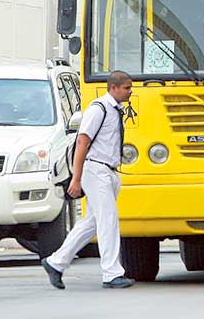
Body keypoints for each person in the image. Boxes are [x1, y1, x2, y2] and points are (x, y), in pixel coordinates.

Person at [41, 71, 136, 290]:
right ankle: (112, 273)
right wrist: (77, 178)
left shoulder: (115, 110)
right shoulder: (98, 109)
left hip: (109, 171)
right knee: (108, 219)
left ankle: (56, 262)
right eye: (127, 88)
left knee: (92, 222)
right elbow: (83, 142)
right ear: (114, 88)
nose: (130, 91)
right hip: (96, 169)